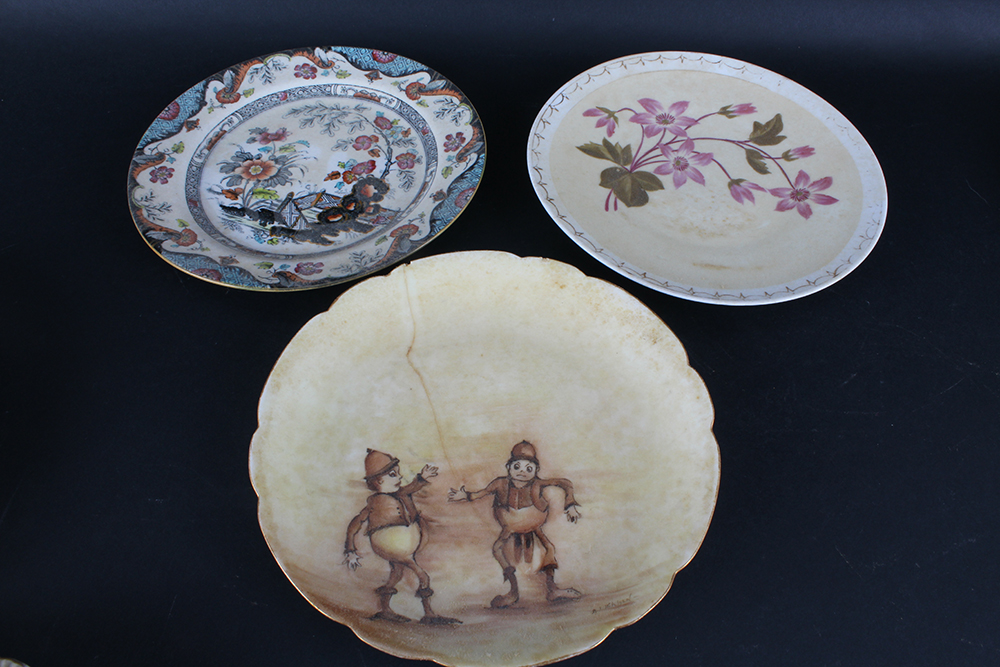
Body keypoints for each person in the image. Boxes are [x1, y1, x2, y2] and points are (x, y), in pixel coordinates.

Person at [448, 440, 582, 607]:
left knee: (549, 548)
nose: (522, 472)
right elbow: (481, 493)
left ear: (536, 470)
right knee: (497, 549)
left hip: (534, 527)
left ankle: (552, 588)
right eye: (517, 467)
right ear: (509, 467)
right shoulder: (500, 484)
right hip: (509, 528)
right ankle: (513, 591)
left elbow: (566, 484)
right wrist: (465, 496)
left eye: (529, 468)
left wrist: (570, 506)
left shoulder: (537, 484)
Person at [344, 448, 459, 624]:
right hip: (391, 542)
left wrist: (422, 478)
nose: (398, 478)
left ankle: (385, 610)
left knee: (396, 574)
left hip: (398, 544)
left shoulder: (399, 494)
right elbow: (356, 523)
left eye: (397, 473)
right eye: (393, 475)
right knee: (422, 576)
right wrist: (350, 548)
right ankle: (429, 613)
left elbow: (409, 488)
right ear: (379, 480)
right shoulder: (375, 502)